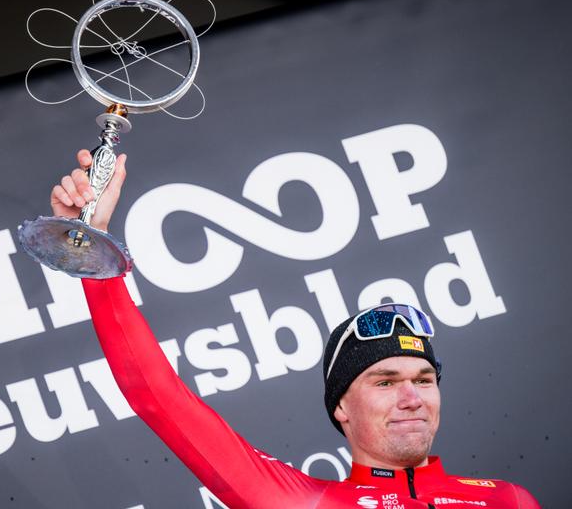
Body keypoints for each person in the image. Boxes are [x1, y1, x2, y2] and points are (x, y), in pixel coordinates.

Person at [50, 150, 541, 508]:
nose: (412, 397)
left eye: (424, 380)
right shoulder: (303, 502)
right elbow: (160, 399)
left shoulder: (510, 499)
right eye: (385, 382)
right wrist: (95, 258)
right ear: (342, 407)